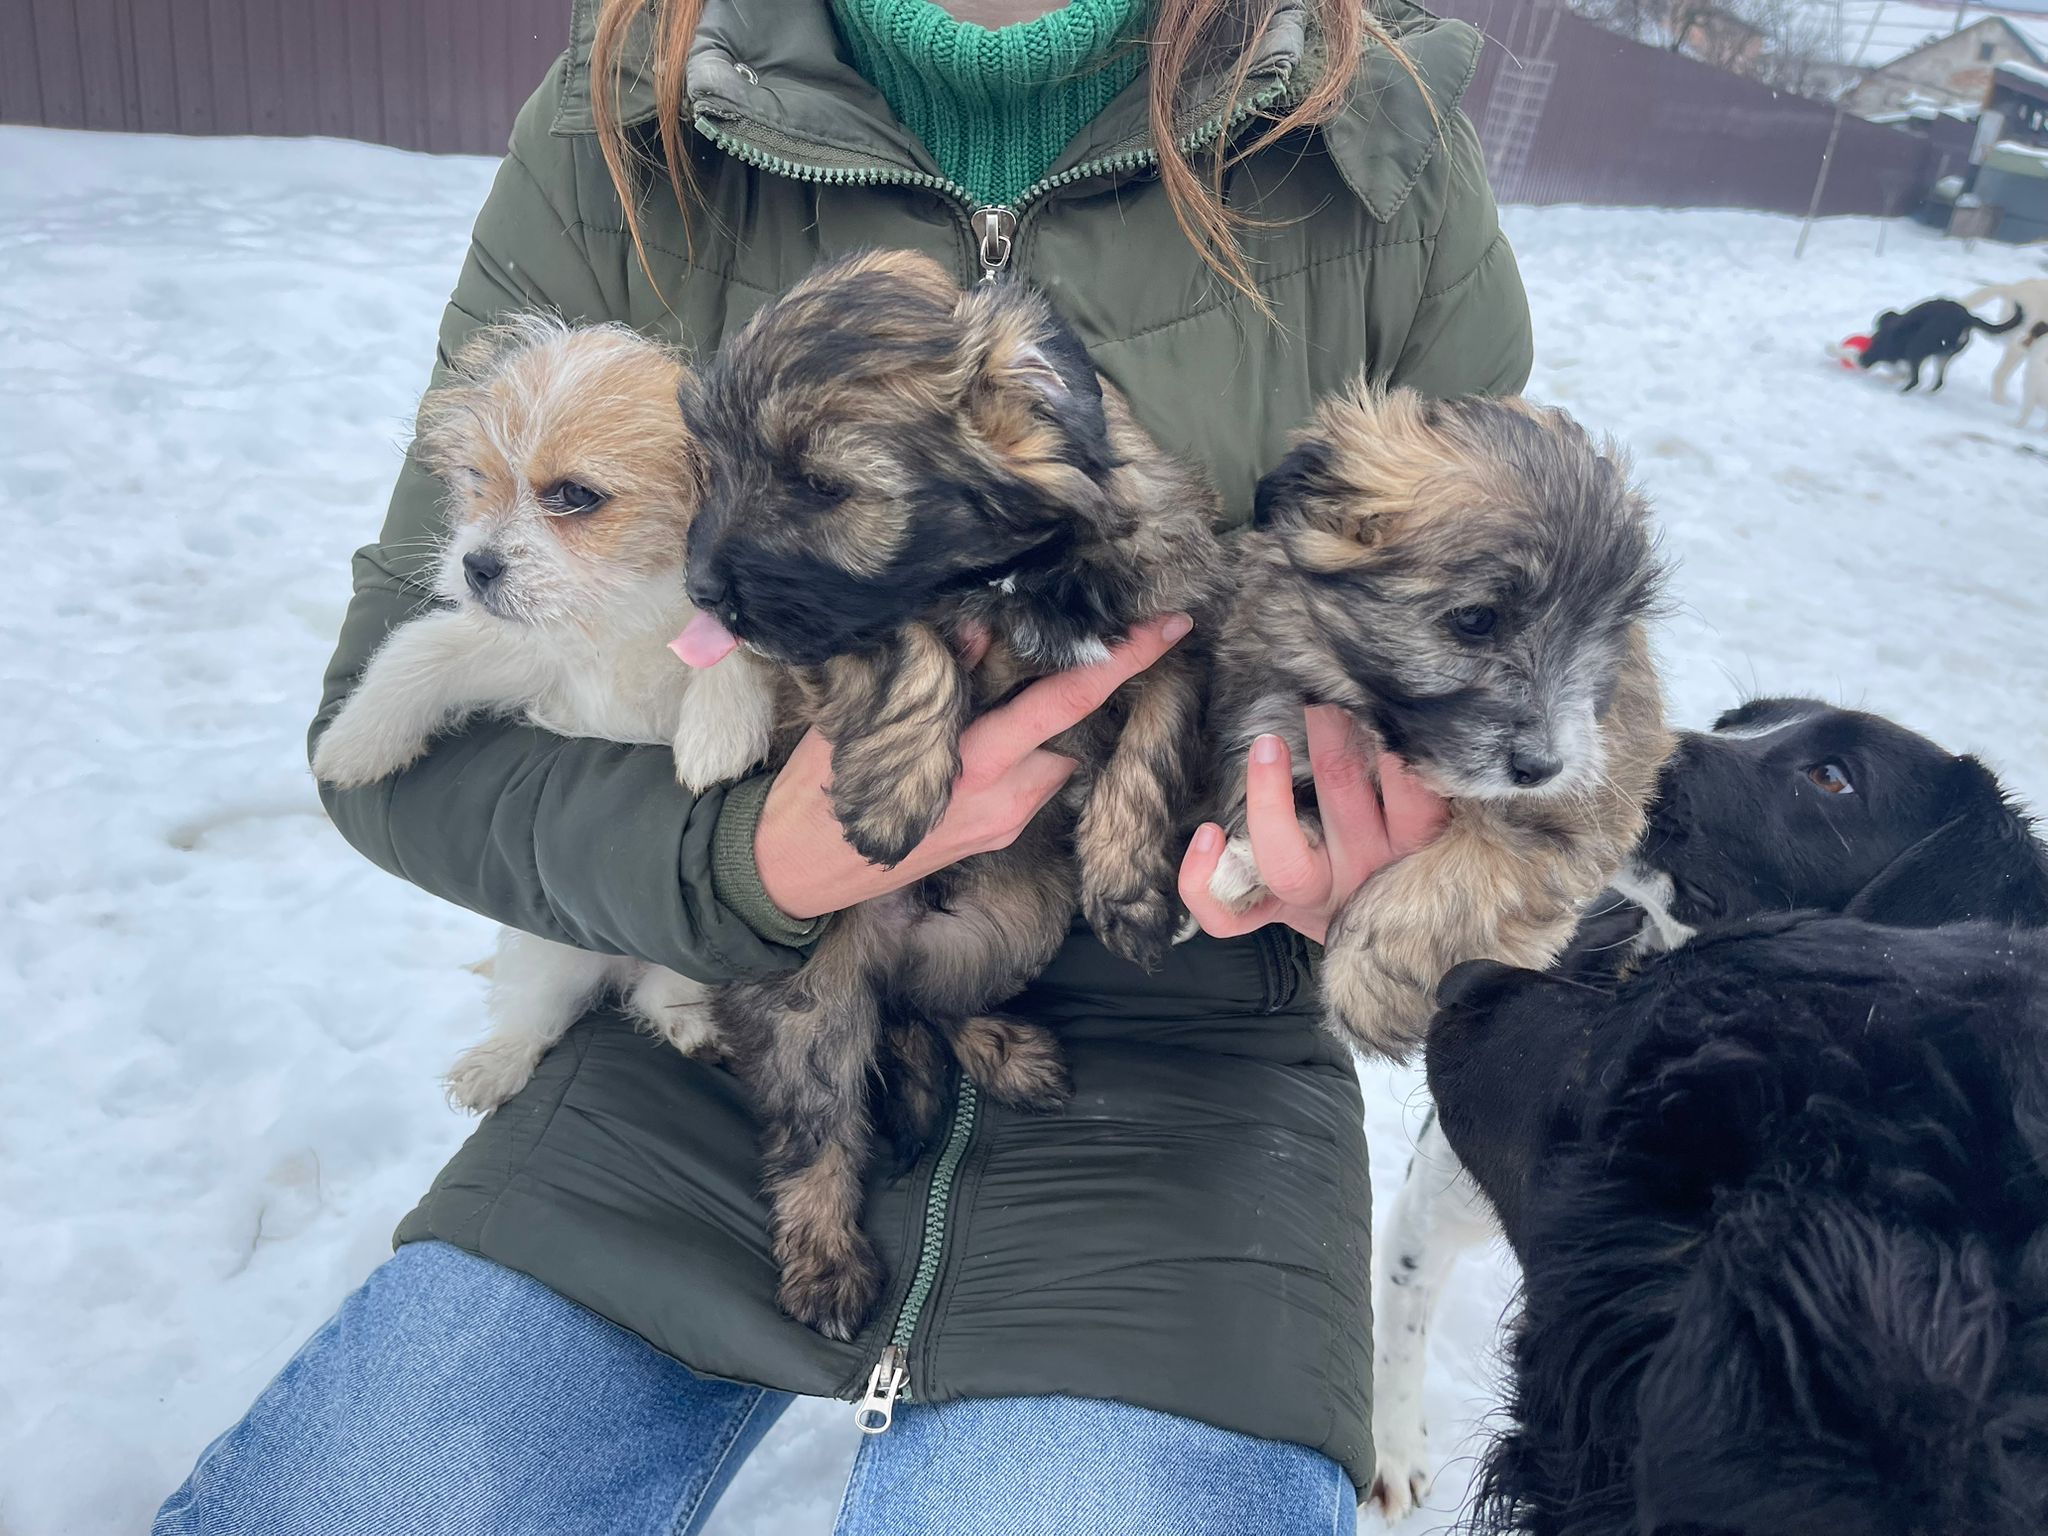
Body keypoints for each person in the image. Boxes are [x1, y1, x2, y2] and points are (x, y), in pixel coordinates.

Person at [156, 0, 1530, 1530]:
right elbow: (393, 743)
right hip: (708, 1027)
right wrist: (745, 865)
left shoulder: (1365, 125)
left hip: (1186, 1077)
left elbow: (1510, 661)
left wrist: (1393, 857)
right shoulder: (638, 100)